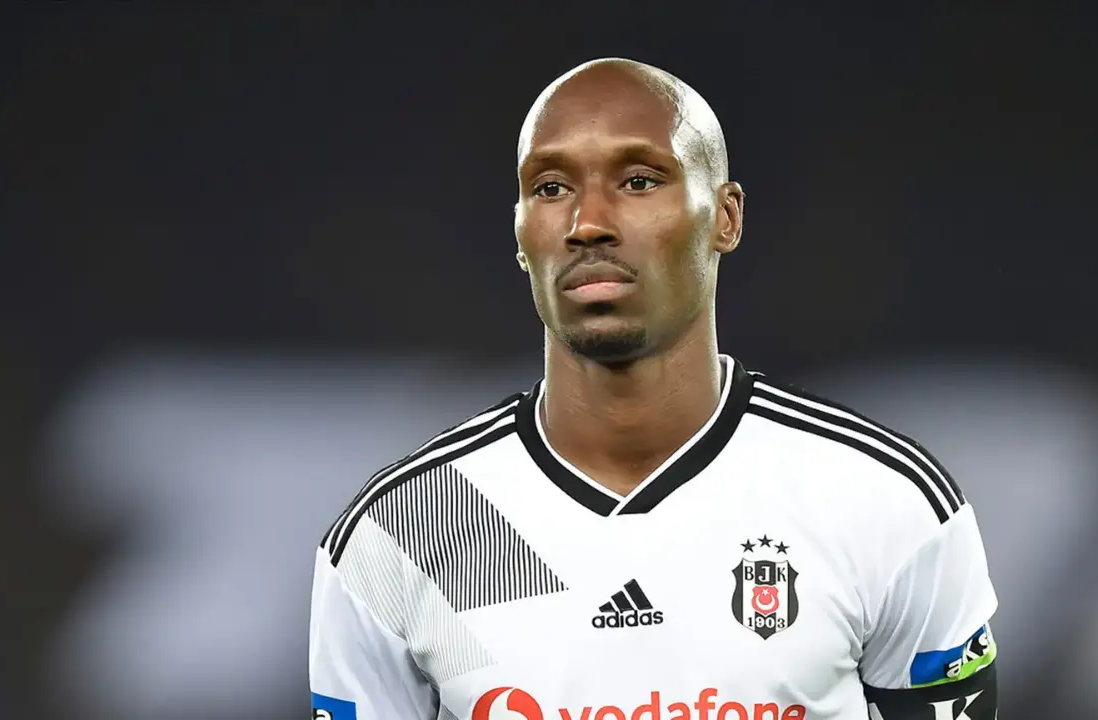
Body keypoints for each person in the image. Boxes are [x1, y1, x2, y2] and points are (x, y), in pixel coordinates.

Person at [309, 58, 998, 720]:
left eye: (639, 181)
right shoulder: (404, 531)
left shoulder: (880, 501)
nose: (588, 224)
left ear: (726, 217)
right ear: (519, 236)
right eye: (550, 188)